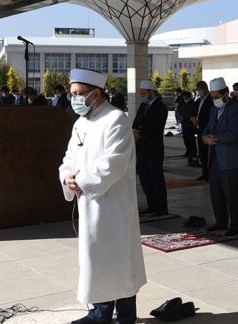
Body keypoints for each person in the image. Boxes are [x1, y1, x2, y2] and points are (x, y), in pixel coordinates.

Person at [59, 68, 145, 324]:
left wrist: (81, 181)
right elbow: (68, 158)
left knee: (119, 258)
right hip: (88, 203)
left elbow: (113, 164)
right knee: (96, 261)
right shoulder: (80, 123)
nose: (72, 99)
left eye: (77, 94)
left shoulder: (117, 119)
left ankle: (125, 316)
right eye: (71, 93)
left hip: (113, 205)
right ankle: (99, 313)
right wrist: (67, 177)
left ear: (95, 94)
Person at [203, 77, 238, 236]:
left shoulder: (236, 109)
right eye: (212, 97)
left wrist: (214, 138)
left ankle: (236, 224)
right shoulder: (213, 109)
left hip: (229, 157)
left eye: (217, 97)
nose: (215, 100)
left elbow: (235, 133)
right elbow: (207, 127)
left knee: (231, 193)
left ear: (226, 93)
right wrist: (204, 137)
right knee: (216, 193)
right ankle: (220, 222)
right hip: (214, 156)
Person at [132, 80, 169, 217]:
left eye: (143, 94)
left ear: (151, 93)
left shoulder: (161, 107)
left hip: (153, 149)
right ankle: (151, 206)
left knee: (156, 179)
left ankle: (161, 207)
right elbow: (136, 122)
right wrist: (134, 131)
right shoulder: (143, 106)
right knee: (145, 179)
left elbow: (156, 128)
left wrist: (140, 133)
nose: (142, 96)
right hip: (141, 148)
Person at [194, 81, 213, 181]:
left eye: (201, 89)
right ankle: (204, 173)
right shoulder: (199, 101)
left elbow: (209, 116)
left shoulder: (210, 100)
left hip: (206, 130)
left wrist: (199, 121)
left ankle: (209, 174)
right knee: (201, 153)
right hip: (200, 129)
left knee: (207, 153)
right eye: (198, 89)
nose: (199, 91)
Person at [179, 90, 199, 163]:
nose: (185, 99)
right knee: (186, 139)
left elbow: (193, 114)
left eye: (186, 97)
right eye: (184, 97)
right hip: (184, 124)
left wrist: (186, 117)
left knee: (191, 140)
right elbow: (180, 111)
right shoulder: (184, 104)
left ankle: (193, 153)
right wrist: (180, 117)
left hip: (190, 125)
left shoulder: (193, 104)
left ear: (189, 97)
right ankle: (188, 151)